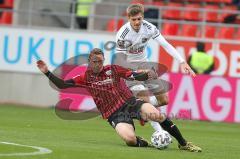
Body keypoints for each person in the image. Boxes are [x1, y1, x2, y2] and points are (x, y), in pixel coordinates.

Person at [37, 48, 201, 152]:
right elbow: (62, 85)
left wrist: (147, 74)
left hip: (131, 103)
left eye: (101, 61)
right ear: (89, 62)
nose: (99, 64)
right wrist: (47, 72)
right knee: (129, 139)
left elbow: (134, 76)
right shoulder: (84, 77)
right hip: (113, 113)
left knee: (156, 114)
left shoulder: (113, 70)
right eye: (95, 61)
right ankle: (141, 143)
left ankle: (183, 143)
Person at [114, 3, 195, 133]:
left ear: (142, 17)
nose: (137, 22)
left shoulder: (149, 28)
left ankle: (138, 110)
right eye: (133, 19)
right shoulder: (123, 34)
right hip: (129, 69)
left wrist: (182, 62)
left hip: (145, 65)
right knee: (145, 100)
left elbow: (166, 44)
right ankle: (160, 132)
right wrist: (135, 72)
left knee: (164, 100)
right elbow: (120, 60)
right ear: (128, 18)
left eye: (139, 19)